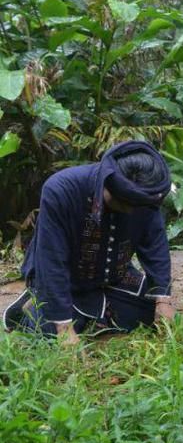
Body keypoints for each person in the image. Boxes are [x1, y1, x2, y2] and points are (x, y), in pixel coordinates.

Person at [3, 141, 174, 344]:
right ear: (107, 185)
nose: (130, 210)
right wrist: (64, 329)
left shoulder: (146, 195)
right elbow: (52, 261)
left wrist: (163, 300)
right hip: (67, 279)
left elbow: (156, 246)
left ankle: (95, 312)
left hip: (114, 277)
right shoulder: (61, 189)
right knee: (47, 331)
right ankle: (32, 304)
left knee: (151, 313)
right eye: (123, 203)